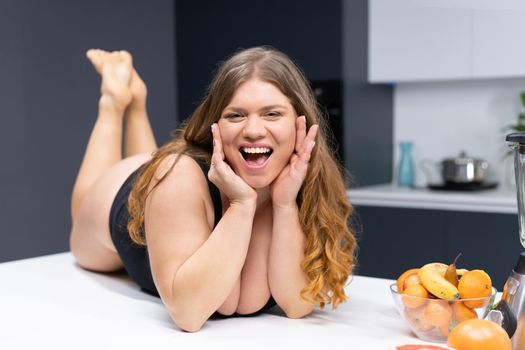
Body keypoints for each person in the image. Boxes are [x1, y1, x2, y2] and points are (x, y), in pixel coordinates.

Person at [69, 46, 357, 332]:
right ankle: (113, 104)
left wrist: (284, 205)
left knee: (155, 163)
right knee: (83, 223)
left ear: (300, 124)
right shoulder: (177, 177)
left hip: (167, 189)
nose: (254, 130)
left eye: (271, 114)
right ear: (215, 125)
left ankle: (137, 104)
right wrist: (242, 205)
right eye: (236, 115)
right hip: (121, 195)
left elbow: (297, 304)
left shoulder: (301, 180)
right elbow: (189, 314)